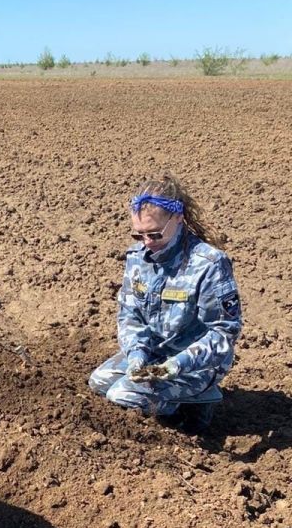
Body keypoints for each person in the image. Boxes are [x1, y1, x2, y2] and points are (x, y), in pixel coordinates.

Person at [89, 173, 242, 432]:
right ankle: (169, 395)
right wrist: (137, 355)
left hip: (197, 363)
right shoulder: (137, 258)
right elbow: (130, 314)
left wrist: (177, 364)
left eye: (155, 234)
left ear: (178, 219)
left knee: (123, 395)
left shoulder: (209, 264)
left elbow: (224, 333)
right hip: (155, 356)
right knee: (99, 382)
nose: (147, 243)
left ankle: (197, 402)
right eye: (139, 236)